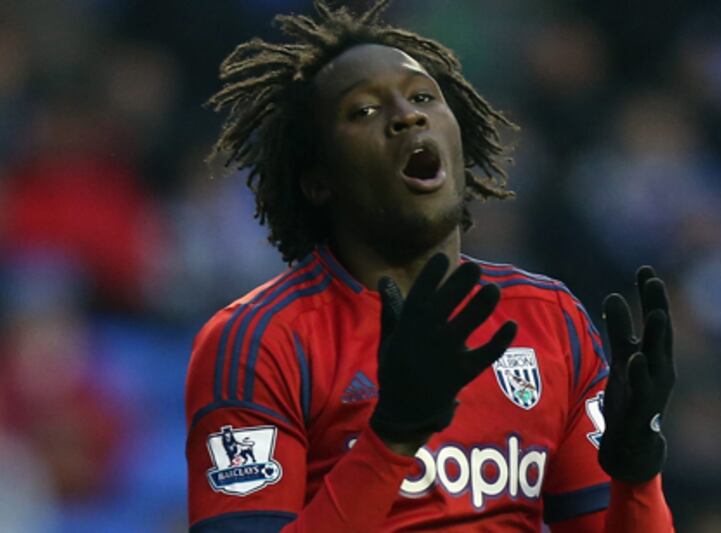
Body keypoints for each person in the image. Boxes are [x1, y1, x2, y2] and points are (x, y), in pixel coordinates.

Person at [185, 1, 676, 531]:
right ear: (318, 180)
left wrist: (636, 477)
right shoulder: (260, 340)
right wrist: (393, 437)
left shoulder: (547, 318)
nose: (408, 116)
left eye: (423, 97)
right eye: (364, 111)